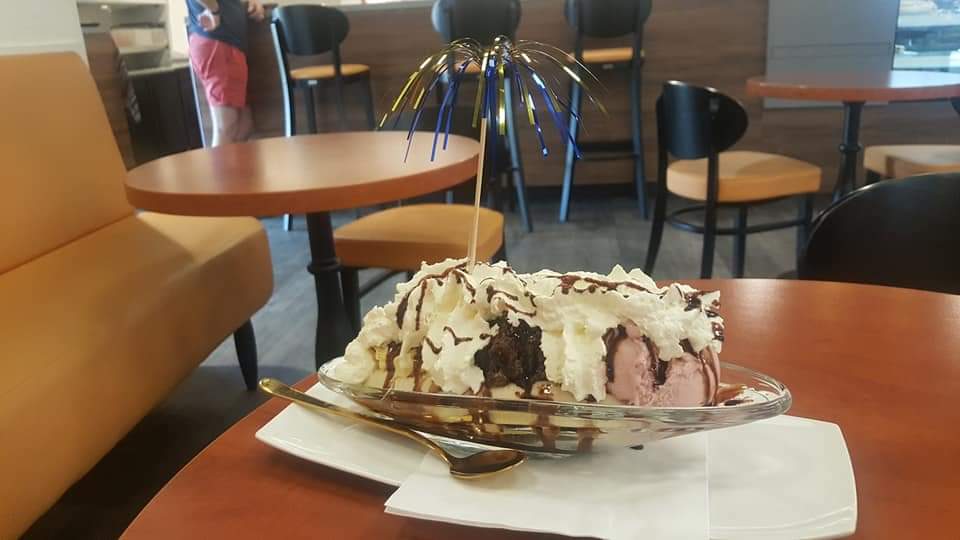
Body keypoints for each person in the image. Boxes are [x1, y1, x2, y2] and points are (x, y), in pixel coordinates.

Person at [187, 0, 265, 146]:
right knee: (226, 126)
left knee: (244, 125)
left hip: (227, 44)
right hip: (218, 43)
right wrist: (214, 10)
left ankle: (231, 162)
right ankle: (219, 162)